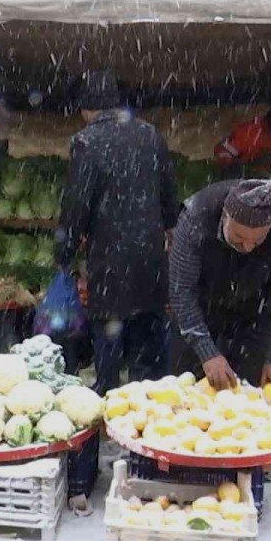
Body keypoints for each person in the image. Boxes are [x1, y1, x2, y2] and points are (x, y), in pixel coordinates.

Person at [55, 70, 179, 516]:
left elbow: (76, 208)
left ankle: (84, 481)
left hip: (110, 277)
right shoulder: (150, 135)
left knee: (104, 379)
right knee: (152, 377)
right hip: (151, 273)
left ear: (88, 110)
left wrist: (63, 258)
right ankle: (152, 469)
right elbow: (171, 204)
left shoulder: (88, 143)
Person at [169, 179, 271, 397]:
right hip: (201, 305)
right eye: (239, 237)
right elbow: (181, 291)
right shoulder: (196, 218)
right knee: (189, 391)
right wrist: (207, 351)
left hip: (255, 308)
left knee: (248, 394)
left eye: (258, 240)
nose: (248, 247)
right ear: (225, 216)